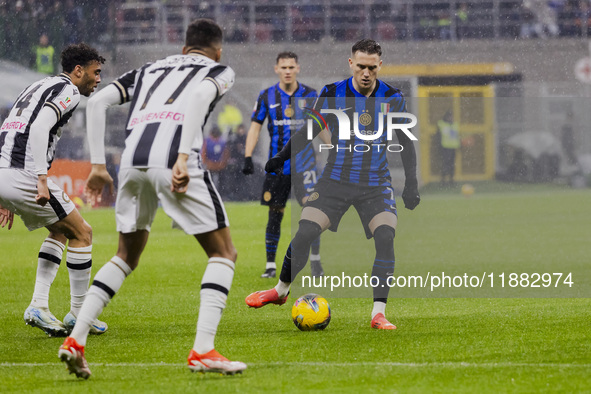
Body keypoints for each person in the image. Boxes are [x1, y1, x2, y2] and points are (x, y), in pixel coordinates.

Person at [58, 18, 246, 379]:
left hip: (131, 162)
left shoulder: (150, 68)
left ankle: (75, 341)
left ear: (183, 48)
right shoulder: (219, 69)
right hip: (173, 161)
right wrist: (183, 157)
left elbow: (96, 103)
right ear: (217, 50)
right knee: (223, 252)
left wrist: (98, 165)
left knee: (126, 255)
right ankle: (203, 351)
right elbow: (199, 95)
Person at [245, 39, 420, 330]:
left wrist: (412, 183)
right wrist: (279, 157)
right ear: (351, 63)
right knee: (305, 233)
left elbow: (407, 143)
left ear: (380, 66)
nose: (366, 72)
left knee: (386, 237)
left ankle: (378, 313)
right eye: (361, 66)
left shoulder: (393, 97)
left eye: (372, 67)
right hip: (335, 180)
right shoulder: (331, 93)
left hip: (375, 184)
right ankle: (280, 291)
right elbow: (308, 132)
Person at [0, 43, 107, 337]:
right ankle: (78, 314)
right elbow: (37, 129)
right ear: (78, 71)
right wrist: (41, 178)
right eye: (95, 73)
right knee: (83, 232)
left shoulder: (38, 85)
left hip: (5, 169)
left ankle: (40, 305)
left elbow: (10, 126)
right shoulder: (69, 91)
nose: (98, 79)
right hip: (25, 173)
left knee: (60, 229)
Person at [242, 52, 324, 279]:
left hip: (306, 166)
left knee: (312, 213)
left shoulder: (311, 95)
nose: (287, 71)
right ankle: (270, 265)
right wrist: (248, 156)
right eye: (283, 67)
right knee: (275, 214)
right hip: (279, 168)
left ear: (298, 68)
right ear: (276, 69)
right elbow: (255, 127)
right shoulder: (266, 96)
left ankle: (315, 262)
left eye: (291, 66)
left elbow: (321, 128)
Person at [437, 110, 460, 186]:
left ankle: (451, 181)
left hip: (453, 148)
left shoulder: (454, 125)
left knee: (452, 165)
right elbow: (438, 136)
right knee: (445, 164)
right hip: (445, 148)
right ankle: (443, 181)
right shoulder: (441, 124)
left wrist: (459, 145)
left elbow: (457, 136)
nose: (451, 118)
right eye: (450, 116)